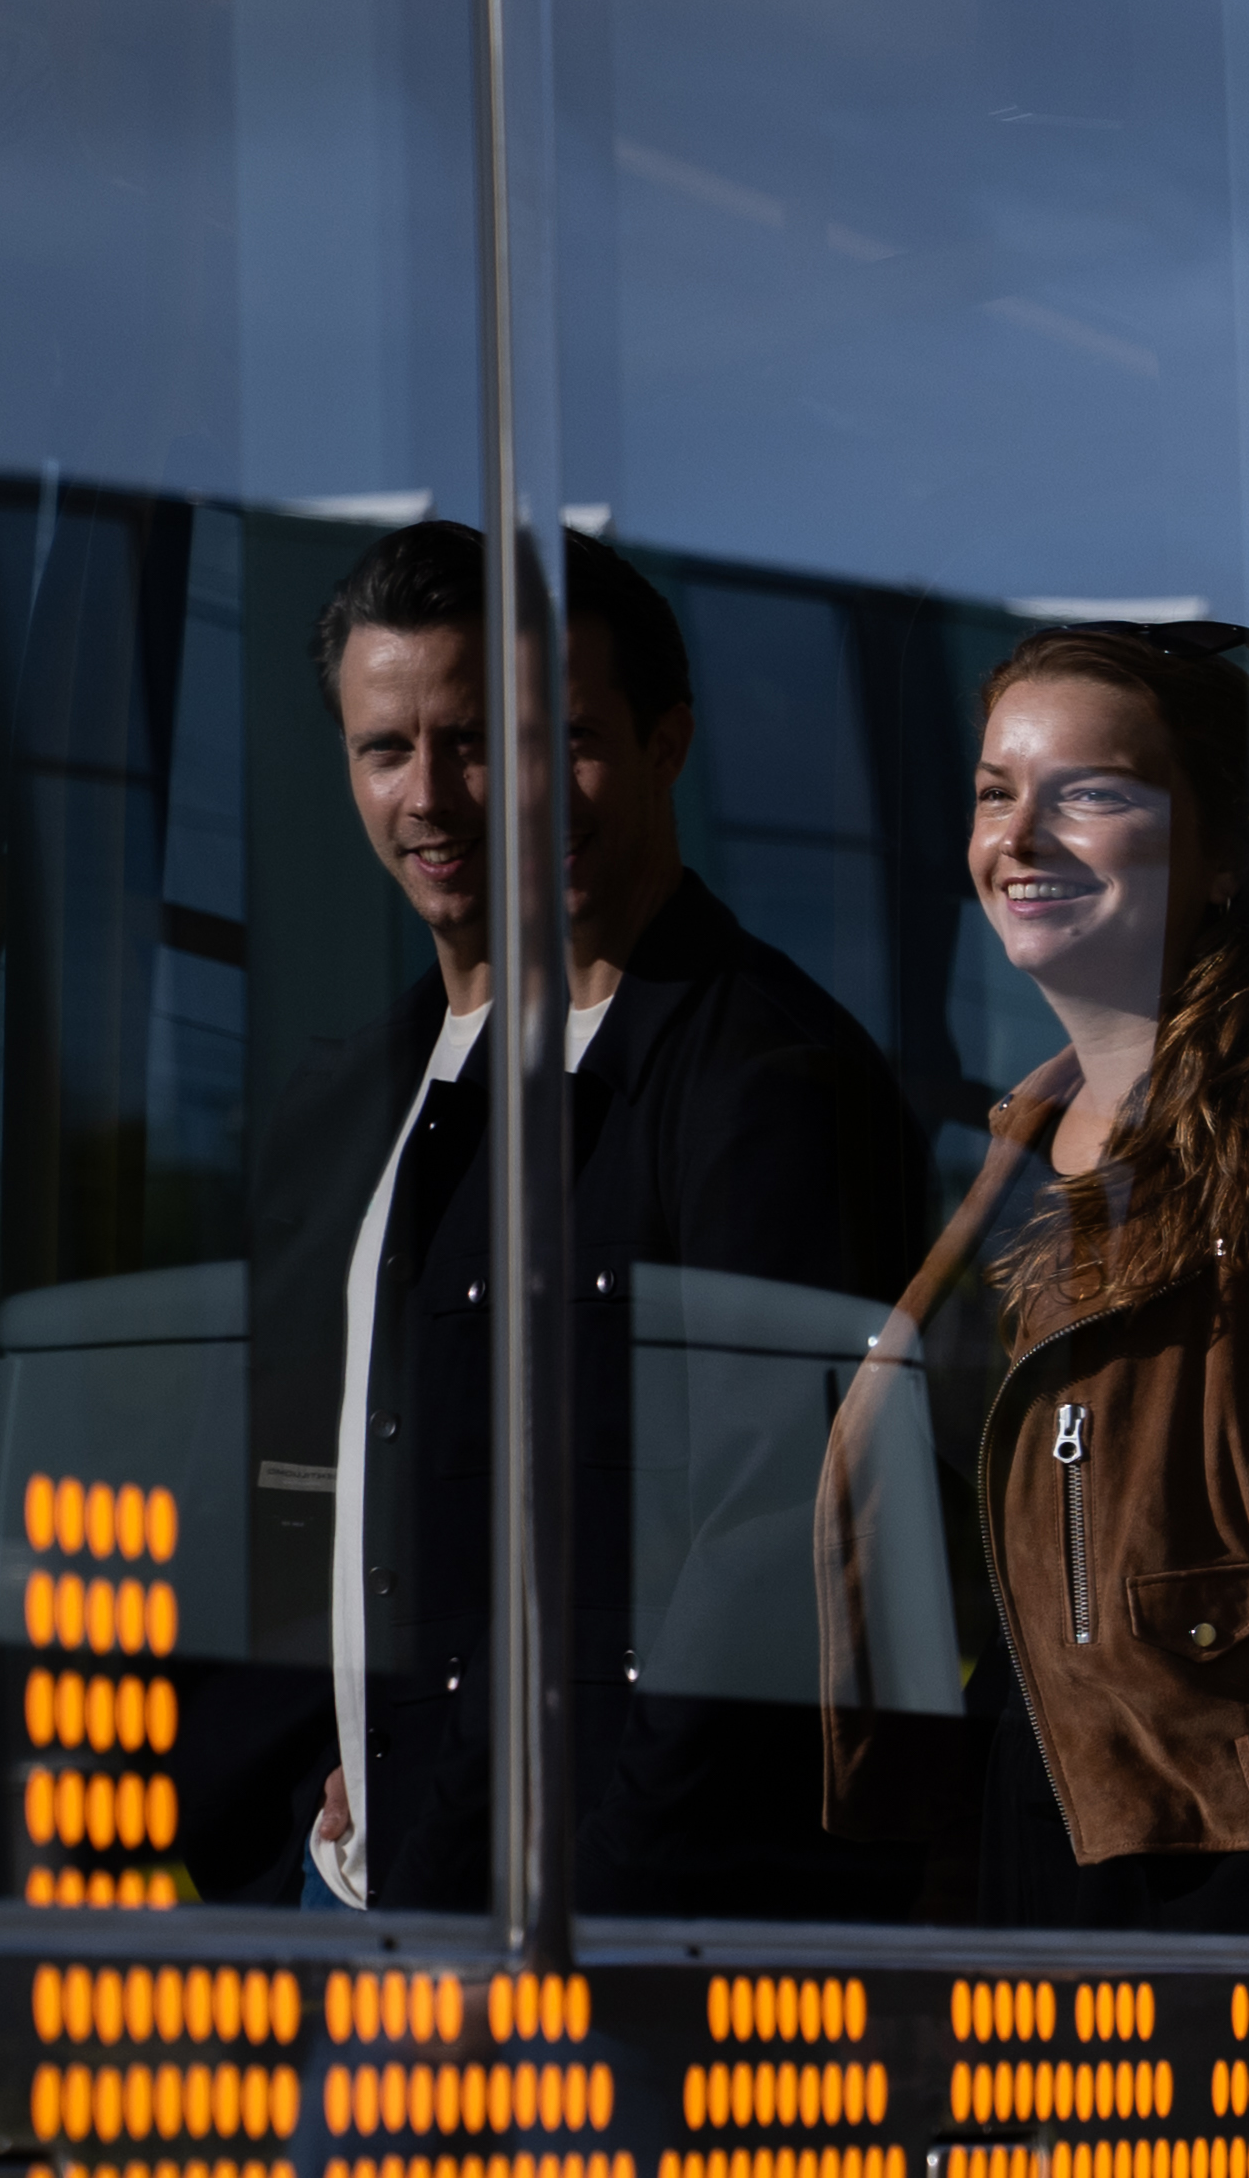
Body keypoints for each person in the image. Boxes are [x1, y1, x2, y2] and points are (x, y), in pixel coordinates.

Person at [865, 621, 1249, 2148]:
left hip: (1237, 1886)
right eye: (999, 793)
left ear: (1217, 857)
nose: (1021, 836)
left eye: (1092, 792)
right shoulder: (1016, 1148)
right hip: (1036, 1854)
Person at [301, 520, 927, 1922]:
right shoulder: (400, 1076)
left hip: (596, 1917)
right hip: (382, 1872)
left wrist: (594, 1887)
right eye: (385, 749)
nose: (467, 791)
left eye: (540, 739)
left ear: (669, 743)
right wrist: (343, 1760)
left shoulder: (761, 1072)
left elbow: (757, 1540)